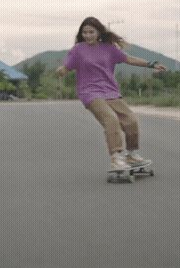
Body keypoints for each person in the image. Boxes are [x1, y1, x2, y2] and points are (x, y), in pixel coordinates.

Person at [55, 16, 167, 171]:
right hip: (90, 92)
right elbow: (67, 66)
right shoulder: (78, 50)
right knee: (111, 119)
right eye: (85, 32)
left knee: (131, 120)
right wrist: (62, 70)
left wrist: (150, 64)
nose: (87, 35)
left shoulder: (109, 48)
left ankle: (132, 154)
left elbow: (128, 59)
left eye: (91, 32)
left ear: (99, 32)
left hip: (110, 90)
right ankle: (116, 157)